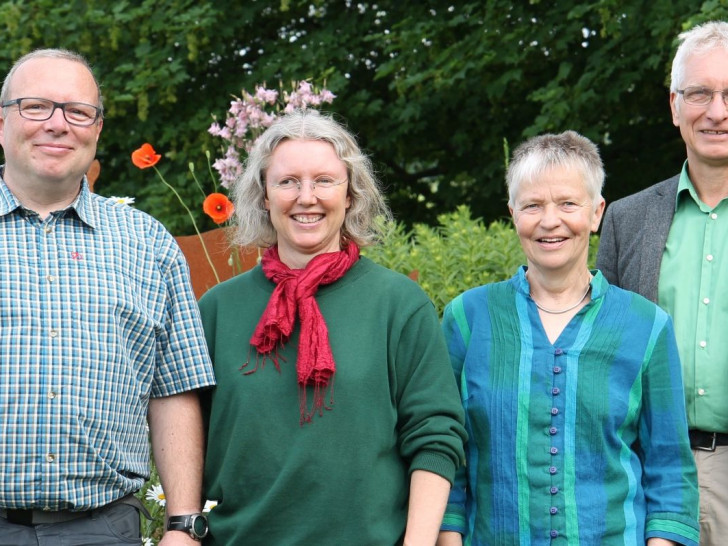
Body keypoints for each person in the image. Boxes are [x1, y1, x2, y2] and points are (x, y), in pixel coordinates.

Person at [198, 109, 467, 545]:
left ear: (351, 195)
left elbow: (435, 437)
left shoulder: (398, 304)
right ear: (264, 196)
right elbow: (187, 439)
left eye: (324, 180)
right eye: (287, 182)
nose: (307, 197)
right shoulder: (217, 310)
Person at [437, 131, 699, 545]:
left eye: (567, 204)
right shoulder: (468, 319)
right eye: (533, 205)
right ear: (512, 213)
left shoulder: (647, 325)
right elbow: (447, 456)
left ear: (596, 213)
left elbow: (670, 469)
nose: (549, 220)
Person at [0, 49, 215, 545]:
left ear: (97, 129)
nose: (58, 124)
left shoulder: (148, 244)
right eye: (36, 107)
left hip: (103, 529)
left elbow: (175, 389)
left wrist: (183, 525)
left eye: (77, 111)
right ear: (4, 120)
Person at [597, 21, 728, 545]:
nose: (716, 111)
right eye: (700, 93)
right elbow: (601, 351)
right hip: (649, 473)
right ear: (675, 106)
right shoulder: (627, 220)